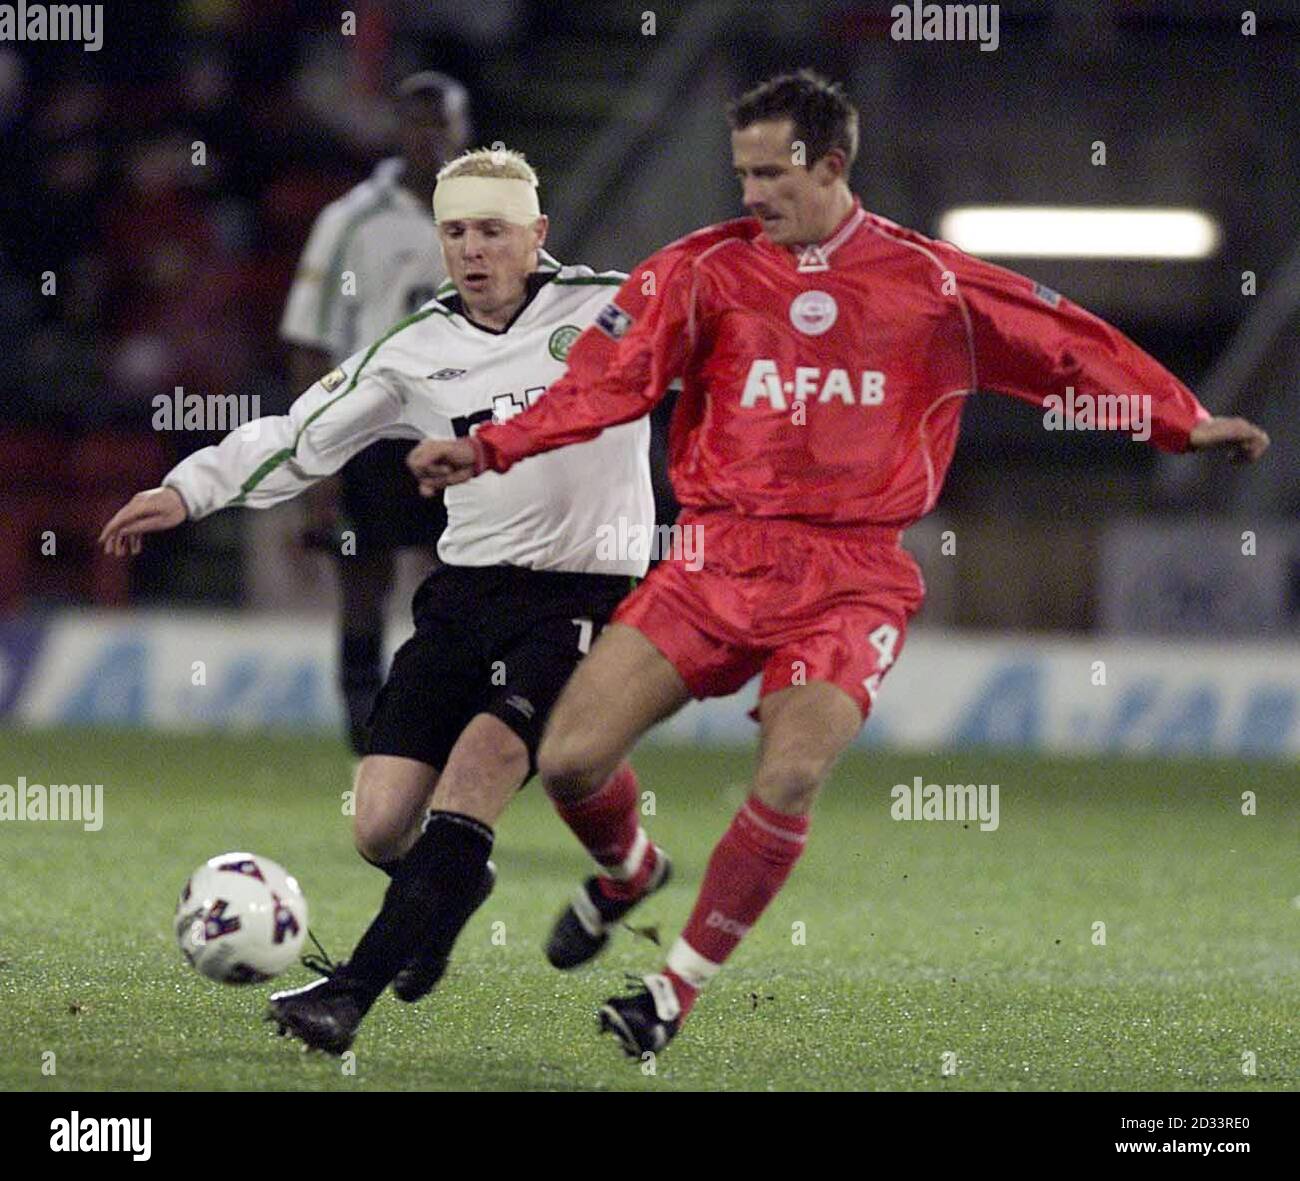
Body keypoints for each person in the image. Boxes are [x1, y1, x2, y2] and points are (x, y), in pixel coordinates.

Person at [407, 70, 1272, 1059]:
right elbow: (608, 383)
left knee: (789, 774)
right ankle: (629, 871)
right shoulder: (700, 271)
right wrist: (490, 446)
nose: (751, 194)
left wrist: (1182, 420)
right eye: (741, 173)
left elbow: (1067, 347)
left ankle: (669, 991)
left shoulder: (931, 282)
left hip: (851, 573)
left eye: (771, 173)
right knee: (567, 759)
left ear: (832, 164)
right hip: (714, 556)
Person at [99, 147, 668, 1055]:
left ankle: (347, 996)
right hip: (465, 596)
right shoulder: (418, 345)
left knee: (482, 765)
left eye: (492, 230)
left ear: (538, 234)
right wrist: (190, 490)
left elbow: (734, 338)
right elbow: (301, 435)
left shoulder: (613, 307)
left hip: (585, 594)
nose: (472, 250)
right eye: (455, 232)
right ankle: (452, 882)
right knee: (379, 825)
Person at [280, 71, 470, 755]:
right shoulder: (351, 219)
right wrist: (317, 456)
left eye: (442, 123)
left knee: (459, 576)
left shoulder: (491, 219)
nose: (431, 138)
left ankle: (439, 719)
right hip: (371, 425)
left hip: (458, 423)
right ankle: (364, 735)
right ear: (396, 131)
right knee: (364, 577)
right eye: (417, 123)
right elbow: (310, 338)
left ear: (465, 130)